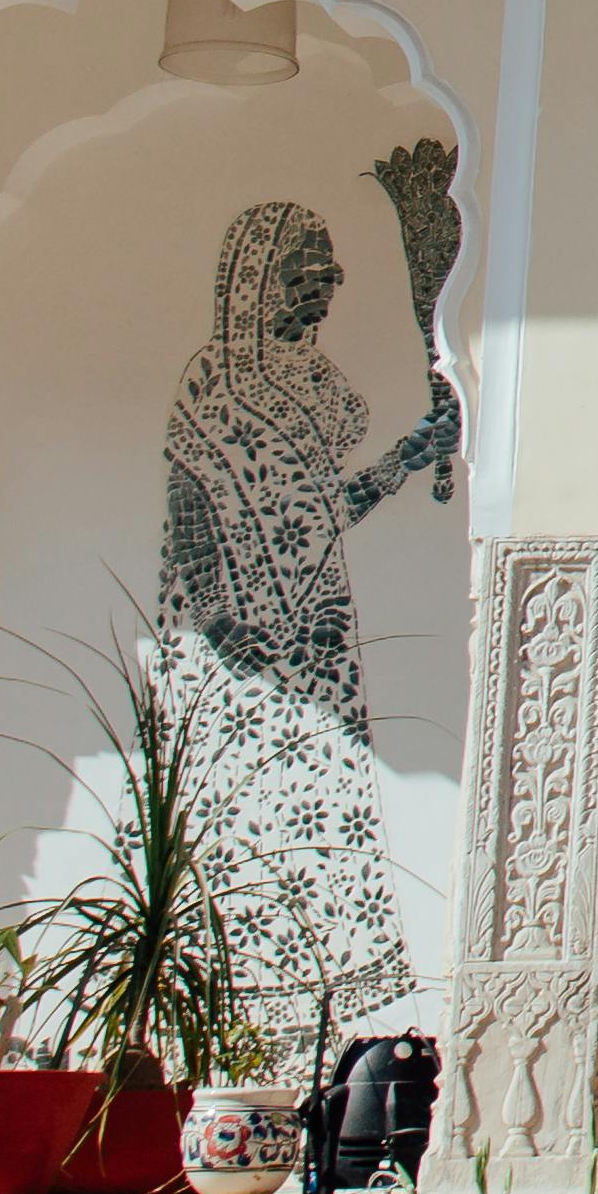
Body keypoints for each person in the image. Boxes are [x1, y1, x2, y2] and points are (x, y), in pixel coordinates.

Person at [159, 195, 460, 1023]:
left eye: (329, 271)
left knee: (317, 832)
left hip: (315, 644)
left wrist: (406, 459)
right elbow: (192, 519)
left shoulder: (319, 387)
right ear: (260, 283)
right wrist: (222, 625)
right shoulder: (213, 385)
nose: (324, 286)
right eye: (307, 272)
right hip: (236, 658)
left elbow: (319, 513)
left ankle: (316, 1018)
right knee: (231, 832)